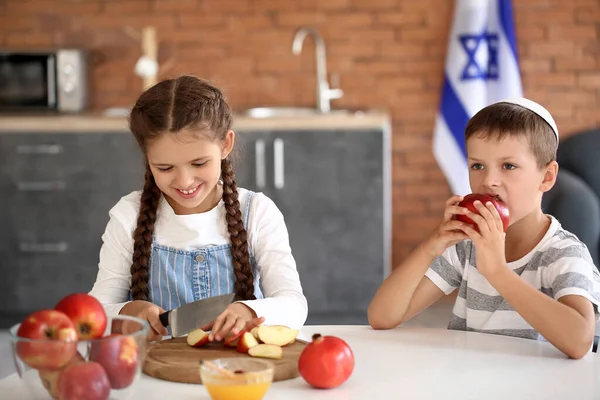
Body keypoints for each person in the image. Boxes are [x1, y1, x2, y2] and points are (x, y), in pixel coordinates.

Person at [368, 97, 600, 359]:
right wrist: (429, 248)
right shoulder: (466, 247)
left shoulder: (564, 254)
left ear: (546, 177)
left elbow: (580, 341)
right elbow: (381, 317)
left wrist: (497, 271)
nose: (488, 181)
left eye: (508, 166)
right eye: (477, 166)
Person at [89, 75, 308, 341]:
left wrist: (249, 311)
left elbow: (294, 305)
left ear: (225, 145)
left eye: (199, 163)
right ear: (148, 158)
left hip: (239, 373)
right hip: (156, 371)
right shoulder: (128, 216)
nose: (184, 181)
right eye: (165, 168)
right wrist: (127, 314)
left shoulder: (258, 212)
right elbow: (95, 313)